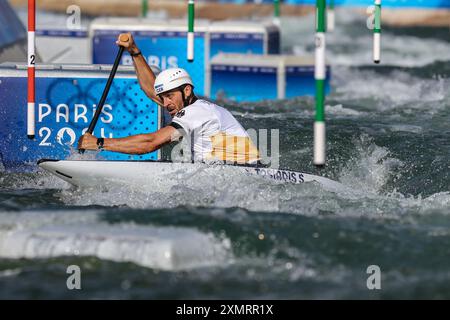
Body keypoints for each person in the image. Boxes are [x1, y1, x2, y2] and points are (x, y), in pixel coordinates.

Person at [78, 33, 260, 165]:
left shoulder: (196, 113)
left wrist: (100, 143)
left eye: (169, 96)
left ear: (187, 91)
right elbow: (151, 90)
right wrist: (134, 51)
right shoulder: (189, 105)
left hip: (246, 176)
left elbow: (151, 142)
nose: (165, 104)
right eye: (163, 98)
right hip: (232, 172)